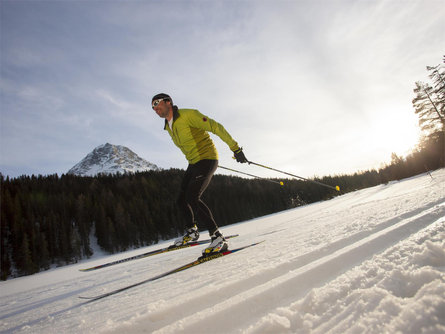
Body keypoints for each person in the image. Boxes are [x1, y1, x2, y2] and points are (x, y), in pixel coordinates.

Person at [151, 93, 248, 256]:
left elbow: (215, 127)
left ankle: (218, 238)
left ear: (168, 102)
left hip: (207, 158)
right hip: (194, 163)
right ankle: (192, 232)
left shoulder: (189, 115)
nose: (155, 108)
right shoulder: (168, 126)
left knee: (192, 197)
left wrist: (235, 148)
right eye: (152, 107)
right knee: (181, 200)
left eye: (157, 103)